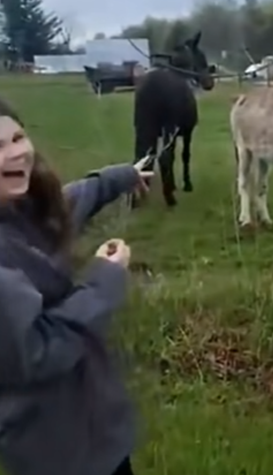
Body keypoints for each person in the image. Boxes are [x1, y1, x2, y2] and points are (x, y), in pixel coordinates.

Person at [0, 95, 154, 475]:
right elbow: (37, 351)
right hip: (57, 446)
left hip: (89, 423)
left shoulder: (19, 209)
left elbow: (67, 205)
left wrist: (119, 177)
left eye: (17, 138)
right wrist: (105, 277)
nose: (15, 154)